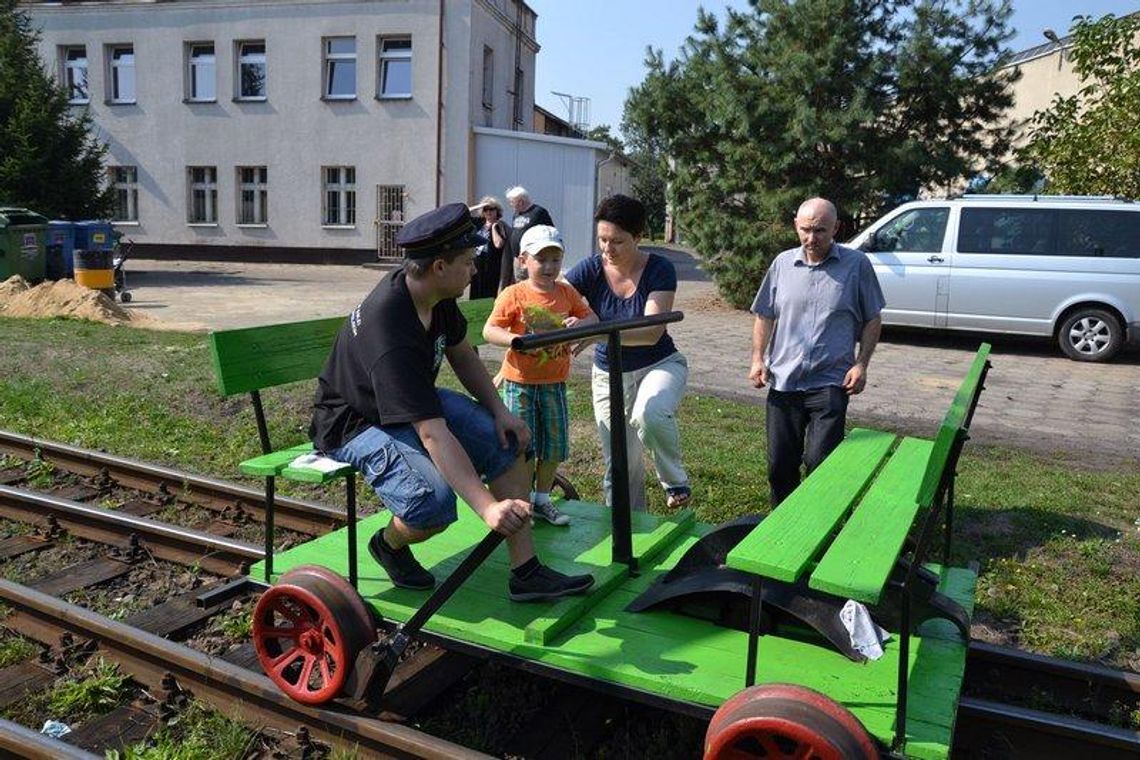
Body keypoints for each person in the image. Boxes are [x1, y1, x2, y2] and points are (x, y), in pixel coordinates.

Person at [308, 202, 594, 602]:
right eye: (468, 261)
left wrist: (501, 411)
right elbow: (433, 434)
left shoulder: (434, 295)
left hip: (406, 401)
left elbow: (462, 354)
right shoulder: (391, 328)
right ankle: (388, 545)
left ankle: (526, 572)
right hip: (355, 421)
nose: (476, 269)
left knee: (508, 440)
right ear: (439, 267)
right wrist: (487, 510)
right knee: (433, 505)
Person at [748, 197, 886, 507]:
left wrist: (862, 364)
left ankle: (817, 522)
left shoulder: (856, 266)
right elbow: (764, 314)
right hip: (784, 381)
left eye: (821, 231)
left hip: (830, 381)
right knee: (779, 467)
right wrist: (758, 358)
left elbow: (872, 318)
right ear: (796, 226)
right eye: (806, 230)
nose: (812, 239)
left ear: (836, 228)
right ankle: (782, 525)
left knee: (820, 461)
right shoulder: (782, 264)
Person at [565, 194, 692, 512]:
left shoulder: (659, 269)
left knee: (649, 414)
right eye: (602, 240)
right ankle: (626, 535)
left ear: (638, 237)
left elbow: (651, 332)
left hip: (659, 363)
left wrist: (595, 330)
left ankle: (674, 481)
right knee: (621, 463)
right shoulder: (590, 270)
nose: (607, 249)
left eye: (617, 241)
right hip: (609, 374)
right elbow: (553, 300)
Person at [483, 225, 597, 528]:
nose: (549, 267)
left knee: (554, 445)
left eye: (555, 260)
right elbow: (489, 329)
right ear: (524, 261)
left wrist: (579, 324)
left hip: (554, 383)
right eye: (541, 259)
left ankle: (543, 498)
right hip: (520, 383)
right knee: (524, 445)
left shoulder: (566, 292)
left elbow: (591, 318)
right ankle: (522, 501)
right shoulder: (514, 294)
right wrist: (514, 340)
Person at [468, 196, 509, 299]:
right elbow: (464, 214)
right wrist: (480, 206)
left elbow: (499, 244)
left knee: (489, 293)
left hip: (491, 264)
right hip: (477, 262)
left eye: (492, 209)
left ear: (497, 211)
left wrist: (494, 227)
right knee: (476, 292)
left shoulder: (500, 225)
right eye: (486, 209)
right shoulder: (479, 223)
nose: (488, 212)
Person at [505, 186, 554, 269]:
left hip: (532, 258)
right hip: (518, 259)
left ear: (521, 201)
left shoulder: (538, 212)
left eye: (512, 202)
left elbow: (550, 232)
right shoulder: (516, 214)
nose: (510, 205)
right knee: (521, 281)